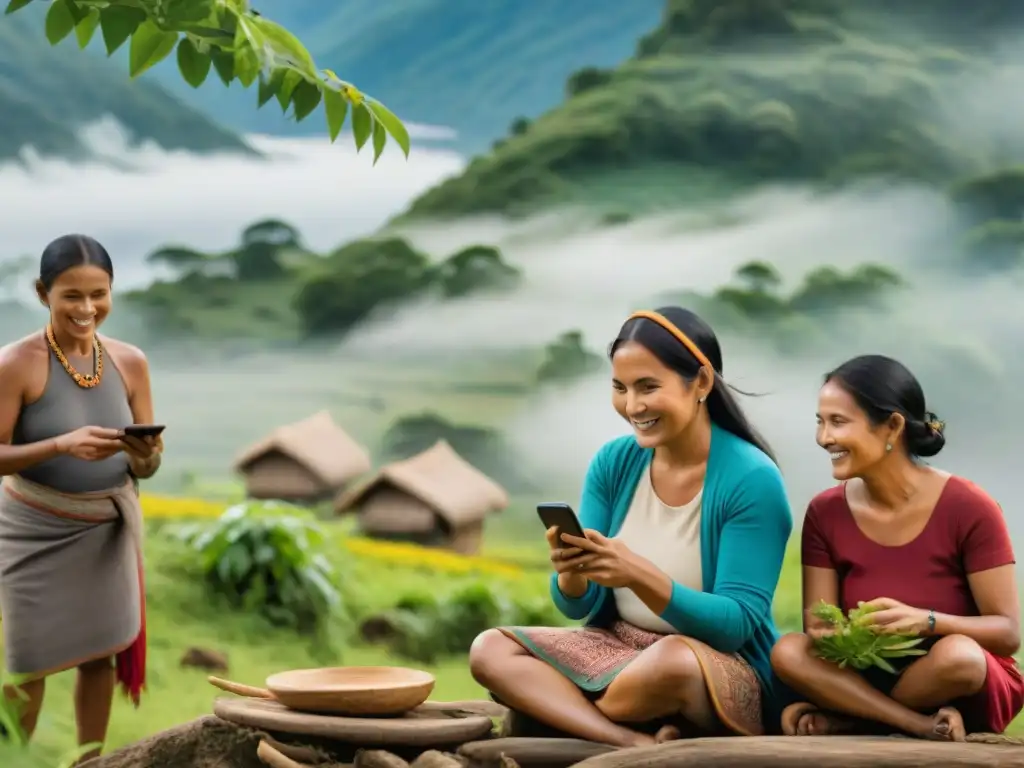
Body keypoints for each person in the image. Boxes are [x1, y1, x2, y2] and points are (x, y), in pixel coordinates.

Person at [469, 307, 793, 746]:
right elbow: (577, 608)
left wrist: (637, 573)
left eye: (648, 387)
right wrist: (572, 571)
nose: (632, 406)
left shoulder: (751, 479)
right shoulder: (615, 462)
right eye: (620, 388)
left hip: (712, 663)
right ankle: (630, 742)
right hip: (616, 648)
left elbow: (735, 625)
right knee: (489, 649)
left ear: (700, 383)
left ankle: (560, 710)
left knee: (670, 663)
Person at [771, 354, 1023, 742]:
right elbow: (817, 627)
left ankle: (855, 722)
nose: (824, 438)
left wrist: (927, 621)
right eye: (820, 422)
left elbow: (1007, 632)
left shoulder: (970, 507)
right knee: (789, 650)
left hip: (951, 678)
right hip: (866, 676)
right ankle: (915, 724)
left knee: (960, 656)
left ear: (892, 426)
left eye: (838, 422)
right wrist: (850, 632)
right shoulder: (825, 513)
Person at [0, 235, 163, 760]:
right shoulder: (16, 364)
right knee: (26, 664)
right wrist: (59, 444)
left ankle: (91, 760)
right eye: (72, 295)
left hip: (105, 532)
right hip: (33, 531)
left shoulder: (130, 362)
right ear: (43, 292)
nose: (87, 308)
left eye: (100, 293)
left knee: (99, 656)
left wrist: (145, 456)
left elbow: (149, 465)